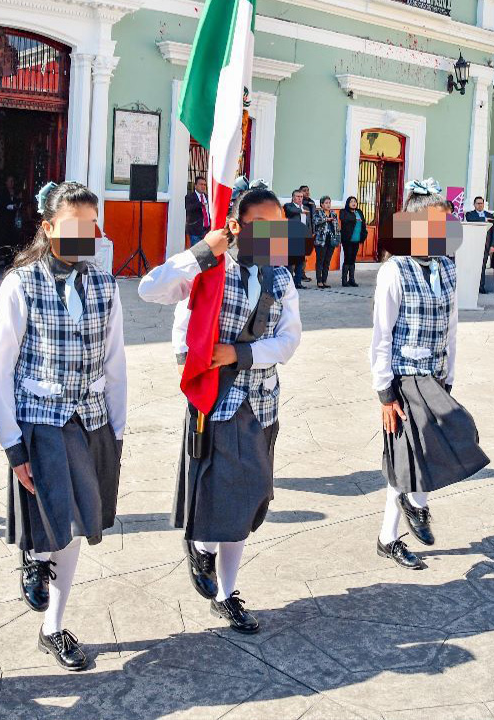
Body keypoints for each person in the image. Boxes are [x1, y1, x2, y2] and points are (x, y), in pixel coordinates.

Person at [138, 184, 302, 635]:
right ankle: (203, 550)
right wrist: (200, 252)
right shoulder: (210, 270)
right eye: (264, 226)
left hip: (261, 401)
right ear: (236, 226)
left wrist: (240, 354)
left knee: (248, 500)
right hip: (214, 399)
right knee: (218, 492)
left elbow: (288, 341)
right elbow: (150, 290)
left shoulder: (281, 277)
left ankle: (227, 593)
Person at [0, 181, 126, 671]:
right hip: (40, 421)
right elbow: (1, 367)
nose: (83, 234)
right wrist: (12, 445)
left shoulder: (105, 285)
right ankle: (33, 557)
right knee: (49, 520)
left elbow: (115, 362)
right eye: (72, 225)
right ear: (49, 229)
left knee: (73, 528)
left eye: (90, 225)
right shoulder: (20, 284)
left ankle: (54, 626)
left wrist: (117, 429)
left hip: (89, 421)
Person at [370, 179, 490, 571]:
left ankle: (390, 535)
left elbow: (452, 326)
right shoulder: (394, 270)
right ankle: (414, 505)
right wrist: (384, 394)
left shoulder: (445, 268)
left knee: (418, 453)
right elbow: (381, 334)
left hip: (435, 373)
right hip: (405, 377)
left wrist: (449, 375)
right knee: (429, 444)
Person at [464, 197, 494, 294]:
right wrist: (484, 219)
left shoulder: (490, 215)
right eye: (478, 203)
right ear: (474, 204)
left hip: (486, 246)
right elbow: (471, 220)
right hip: (473, 245)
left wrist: (493, 245)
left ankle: (481, 287)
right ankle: (471, 287)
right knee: (472, 267)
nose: (480, 205)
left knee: (482, 267)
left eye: (481, 203)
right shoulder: (470, 214)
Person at [283, 189, 310, 289]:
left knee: (300, 262)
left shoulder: (305, 208)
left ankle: (298, 283)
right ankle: (287, 283)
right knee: (290, 262)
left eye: (301, 197)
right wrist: (301, 210)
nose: (300, 198)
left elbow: (308, 223)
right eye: (298, 196)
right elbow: (291, 211)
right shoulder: (288, 206)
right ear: (293, 197)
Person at [312, 195, 340, 289]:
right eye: (326, 203)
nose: (328, 205)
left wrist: (337, 238)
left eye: (329, 203)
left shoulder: (334, 213)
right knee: (320, 260)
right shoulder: (317, 213)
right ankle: (319, 281)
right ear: (321, 204)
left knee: (327, 261)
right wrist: (326, 219)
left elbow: (337, 228)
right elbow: (315, 222)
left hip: (330, 240)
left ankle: (324, 280)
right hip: (321, 241)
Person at [338, 196, 365, 287]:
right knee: (347, 258)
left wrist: (364, 235)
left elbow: (363, 224)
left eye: (355, 201)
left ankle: (352, 279)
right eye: (351, 201)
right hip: (347, 239)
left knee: (353, 259)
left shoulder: (359, 212)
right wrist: (354, 216)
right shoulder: (344, 212)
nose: (354, 203)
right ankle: (344, 280)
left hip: (357, 239)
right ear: (348, 203)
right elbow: (345, 220)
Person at [184, 174, 212, 247]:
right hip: (195, 231)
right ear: (195, 186)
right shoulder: (190, 197)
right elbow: (188, 208)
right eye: (201, 184)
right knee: (196, 254)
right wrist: (200, 204)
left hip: (207, 230)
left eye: (204, 185)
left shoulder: (207, 197)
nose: (203, 186)